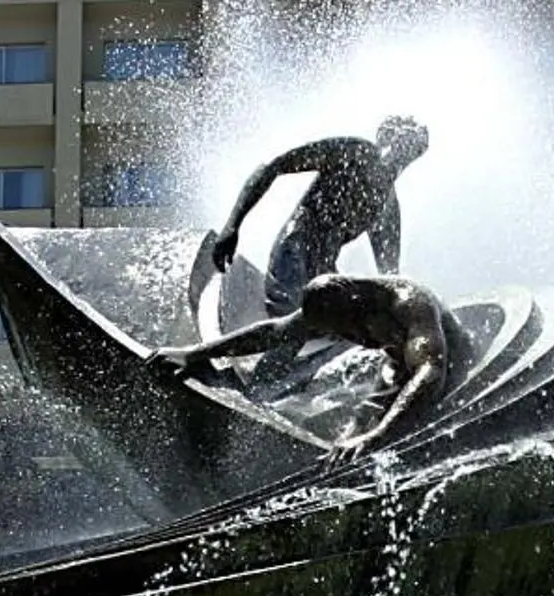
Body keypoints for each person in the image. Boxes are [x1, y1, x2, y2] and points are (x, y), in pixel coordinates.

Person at [150, 273, 463, 458]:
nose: (344, 337)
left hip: (453, 370)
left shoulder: (407, 304)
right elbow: (274, 333)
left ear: (356, 304)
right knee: (349, 437)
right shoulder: (334, 305)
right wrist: (194, 354)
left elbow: (431, 370)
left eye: (344, 330)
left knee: (376, 437)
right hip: (396, 367)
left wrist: (377, 436)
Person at [204, 117, 430, 312]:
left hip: (322, 276)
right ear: (386, 135)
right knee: (303, 309)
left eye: (417, 149)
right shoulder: (354, 153)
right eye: (406, 141)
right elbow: (273, 166)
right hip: (292, 258)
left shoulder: (387, 205)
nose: (408, 153)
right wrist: (233, 225)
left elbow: (390, 276)